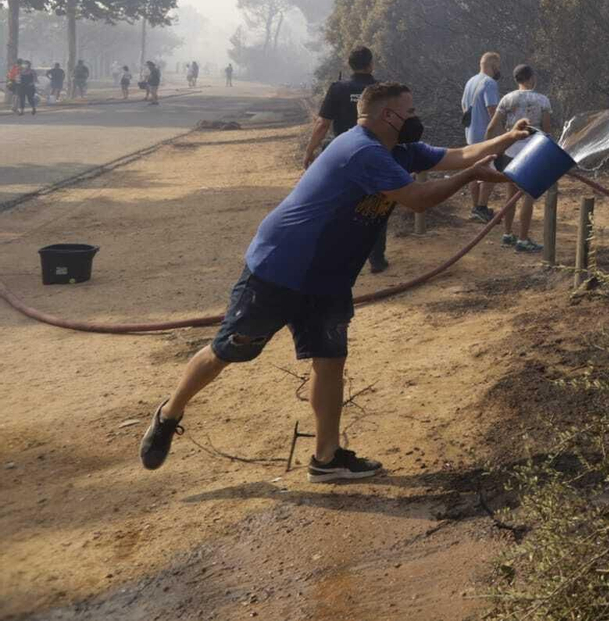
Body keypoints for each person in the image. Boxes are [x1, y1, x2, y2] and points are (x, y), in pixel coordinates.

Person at [140, 82, 535, 482]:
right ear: (387, 117)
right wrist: (470, 177)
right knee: (226, 352)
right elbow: (417, 198)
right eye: (409, 112)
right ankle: (170, 413)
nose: (415, 118)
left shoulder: (397, 149)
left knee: (330, 362)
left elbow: (456, 155)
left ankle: (325, 458)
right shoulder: (361, 151)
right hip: (280, 270)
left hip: (327, 278)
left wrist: (508, 138)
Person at [305, 47, 391, 272]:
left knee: (339, 205)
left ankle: (337, 256)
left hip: (341, 155)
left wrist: (310, 151)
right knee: (376, 204)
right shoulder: (381, 90)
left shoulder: (338, 88)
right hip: (375, 153)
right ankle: (377, 259)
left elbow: (323, 124)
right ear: (371, 64)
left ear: (350, 65)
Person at [485, 64, 555, 251]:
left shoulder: (507, 99)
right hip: (532, 152)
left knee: (511, 195)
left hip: (510, 151)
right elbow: (547, 131)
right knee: (528, 196)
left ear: (517, 79)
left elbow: (491, 128)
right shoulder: (542, 100)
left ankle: (507, 234)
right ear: (531, 78)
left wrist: (498, 145)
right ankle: (523, 239)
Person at [461, 51, 503, 222]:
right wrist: (502, 135)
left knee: (475, 171)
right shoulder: (490, 83)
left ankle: (475, 208)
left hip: (470, 136)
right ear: (493, 65)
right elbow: (493, 110)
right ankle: (481, 208)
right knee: (490, 172)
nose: (499, 70)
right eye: (498, 66)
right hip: (486, 136)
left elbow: (463, 106)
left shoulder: (471, 81)